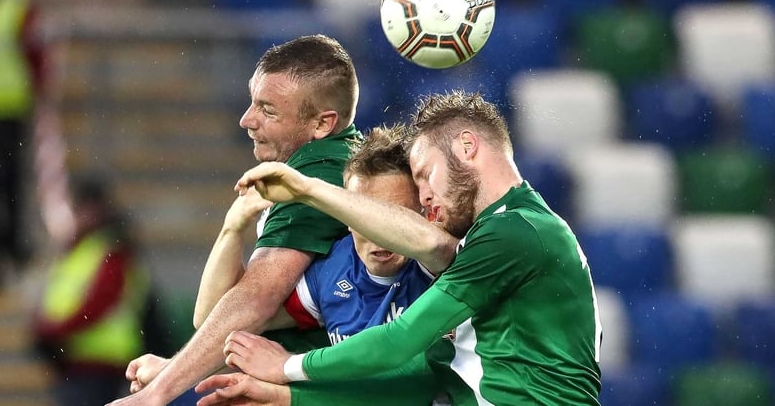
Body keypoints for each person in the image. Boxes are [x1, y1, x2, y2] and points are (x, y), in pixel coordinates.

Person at [200, 91, 603, 406]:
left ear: (467, 147)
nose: (426, 196)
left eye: (426, 174)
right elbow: (418, 376)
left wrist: (286, 368)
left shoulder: (513, 232)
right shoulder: (502, 235)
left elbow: (399, 341)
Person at [106, 34, 366, 406]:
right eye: (252, 102)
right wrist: (233, 226)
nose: (247, 120)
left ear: (322, 124)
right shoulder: (314, 165)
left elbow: (254, 300)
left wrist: (158, 392)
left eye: (268, 110)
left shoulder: (321, 170)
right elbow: (214, 314)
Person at [131, 126, 445, 406]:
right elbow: (215, 319)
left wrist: (289, 367)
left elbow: (411, 380)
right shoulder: (331, 271)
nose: (380, 236)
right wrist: (233, 228)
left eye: (393, 216)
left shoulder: (439, 265)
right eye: (366, 217)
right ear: (349, 219)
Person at [32, 176, 151, 406]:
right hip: (78, 361)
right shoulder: (84, 248)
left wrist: (54, 330)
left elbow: (99, 304)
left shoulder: (111, 250)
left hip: (102, 362)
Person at [0, 0, 48, 281]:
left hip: (11, 110)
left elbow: (36, 54)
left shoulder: (17, 8)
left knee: (10, 181)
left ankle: (11, 245)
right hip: (9, 109)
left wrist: (40, 91)